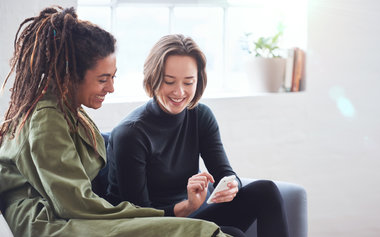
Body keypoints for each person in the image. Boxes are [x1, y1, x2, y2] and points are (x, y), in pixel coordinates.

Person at [0, 7, 228, 237]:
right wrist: (158, 216)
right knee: (198, 231)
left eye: (113, 77)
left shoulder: (67, 110)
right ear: (70, 74)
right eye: (103, 79)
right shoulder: (46, 118)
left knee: (207, 225)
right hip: (49, 220)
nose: (111, 88)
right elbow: (74, 204)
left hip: (73, 211)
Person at [106, 34, 289, 237]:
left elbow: (225, 173)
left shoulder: (200, 116)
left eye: (188, 82)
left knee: (266, 192)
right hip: (151, 227)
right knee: (231, 234)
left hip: (192, 216)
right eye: (169, 81)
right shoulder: (130, 134)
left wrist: (231, 186)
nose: (179, 92)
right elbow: (142, 219)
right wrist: (187, 206)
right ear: (153, 78)